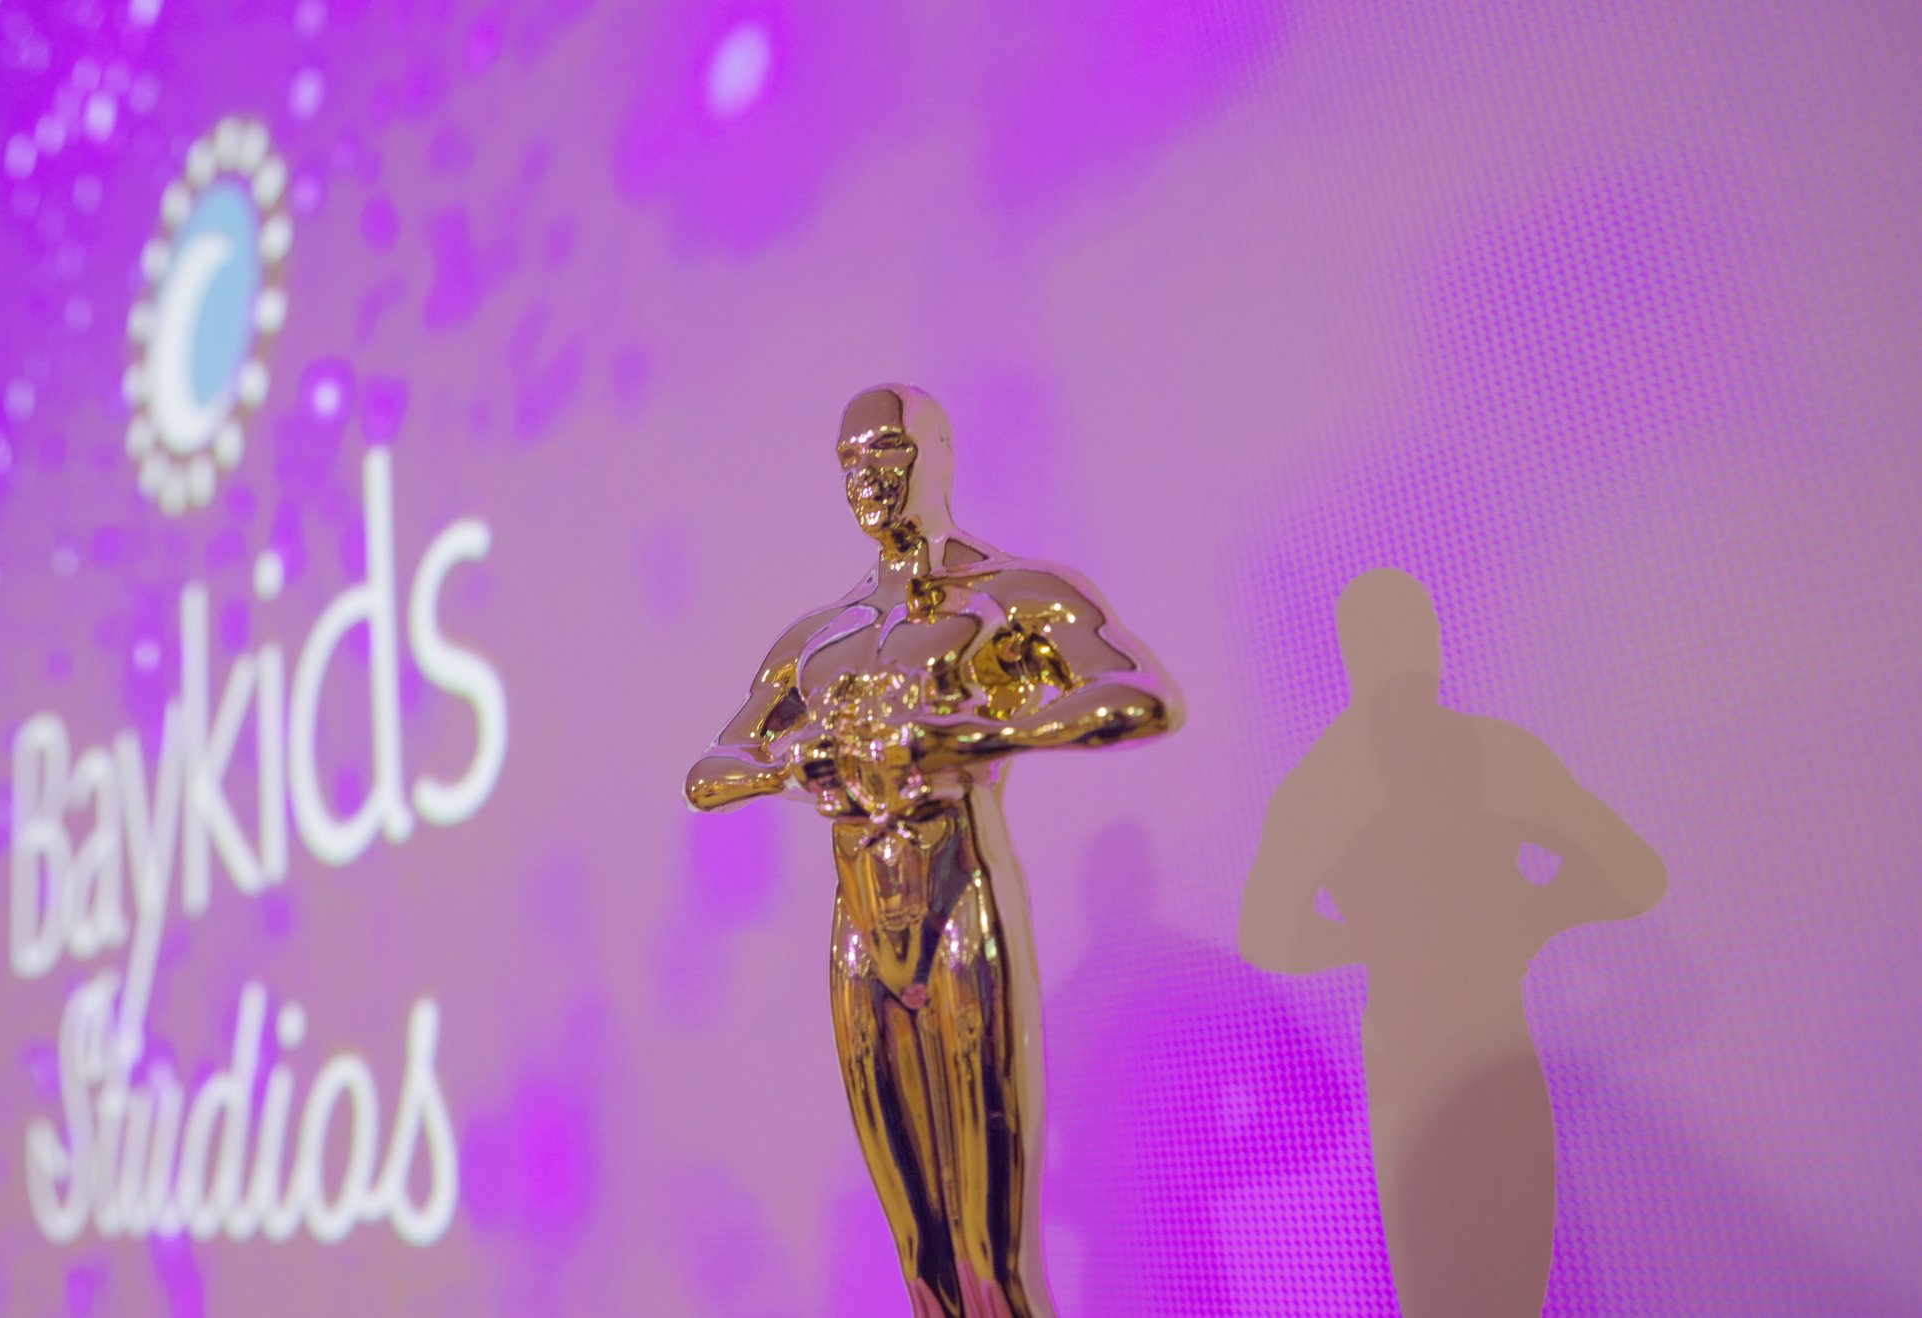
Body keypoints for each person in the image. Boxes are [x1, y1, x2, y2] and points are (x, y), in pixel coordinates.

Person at [685, 385, 1181, 1317]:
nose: (867, 479)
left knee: (992, 1259)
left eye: (886, 452)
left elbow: (1140, 695)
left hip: (959, 898)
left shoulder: (1007, 596)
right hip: (861, 930)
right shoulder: (819, 639)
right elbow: (713, 768)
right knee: (920, 1259)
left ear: (935, 455)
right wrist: (796, 763)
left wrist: (967, 738)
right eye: (850, 462)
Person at [1242, 568, 1666, 1318]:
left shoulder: (1330, 782)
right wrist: (1522, 914)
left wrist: (1522, 916)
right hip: (1444, 1063)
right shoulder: (1463, 761)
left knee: (1479, 1294)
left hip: (1461, 1058)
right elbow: (1265, 936)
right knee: (1473, 1293)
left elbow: (1637, 874)